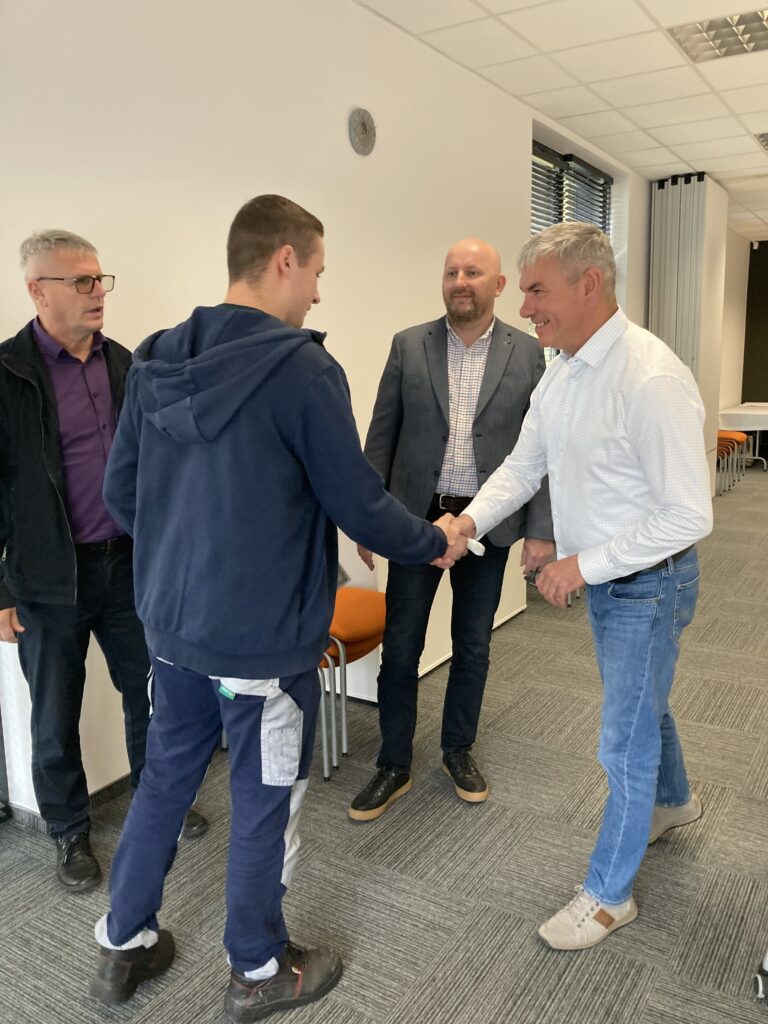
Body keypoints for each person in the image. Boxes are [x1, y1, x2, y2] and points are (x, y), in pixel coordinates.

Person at [89, 195, 468, 1020]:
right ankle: (258, 967)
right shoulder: (303, 370)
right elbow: (358, 503)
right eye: (318, 271)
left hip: (173, 631)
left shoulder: (155, 359)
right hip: (262, 645)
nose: (319, 292)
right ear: (284, 260)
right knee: (265, 800)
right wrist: (431, 539)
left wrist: (190, 551)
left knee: (163, 782)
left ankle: (123, 943)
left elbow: (122, 497)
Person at [456, 222, 713, 950]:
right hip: (615, 584)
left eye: (537, 290)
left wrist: (581, 563)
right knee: (642, 705)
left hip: (648, 585)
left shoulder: (649, 378)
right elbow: (522, 466)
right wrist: (466, 524)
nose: (524, 306)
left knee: (622, 737)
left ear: (589, 284)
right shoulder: (564, 370)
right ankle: (673, 801)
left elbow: (689, 514)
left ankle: (608, 897)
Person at [0, 230, 208, 894]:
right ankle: (68, 830)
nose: (98, 293)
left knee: (152, 693)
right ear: (38, 291)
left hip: (131, 566)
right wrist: (1, 589)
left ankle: (158, 798)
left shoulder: (127, 365)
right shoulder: (7, 374)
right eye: (82, 282)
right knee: (54, 713)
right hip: (47, 578)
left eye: (100, 279)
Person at [349, 238, 554, 822]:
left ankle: (456, 750)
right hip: (415, 522)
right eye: (451, 272)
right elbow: (381, 435)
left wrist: (541, 529)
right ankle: (393, 763)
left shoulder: (528, 352)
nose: (460, 281)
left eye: (473, 272)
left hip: (491, 523)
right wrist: (369, 519)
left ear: (498, 285)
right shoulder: (408, 344)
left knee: (473, 646)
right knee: (401, 649)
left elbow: (543, 450)